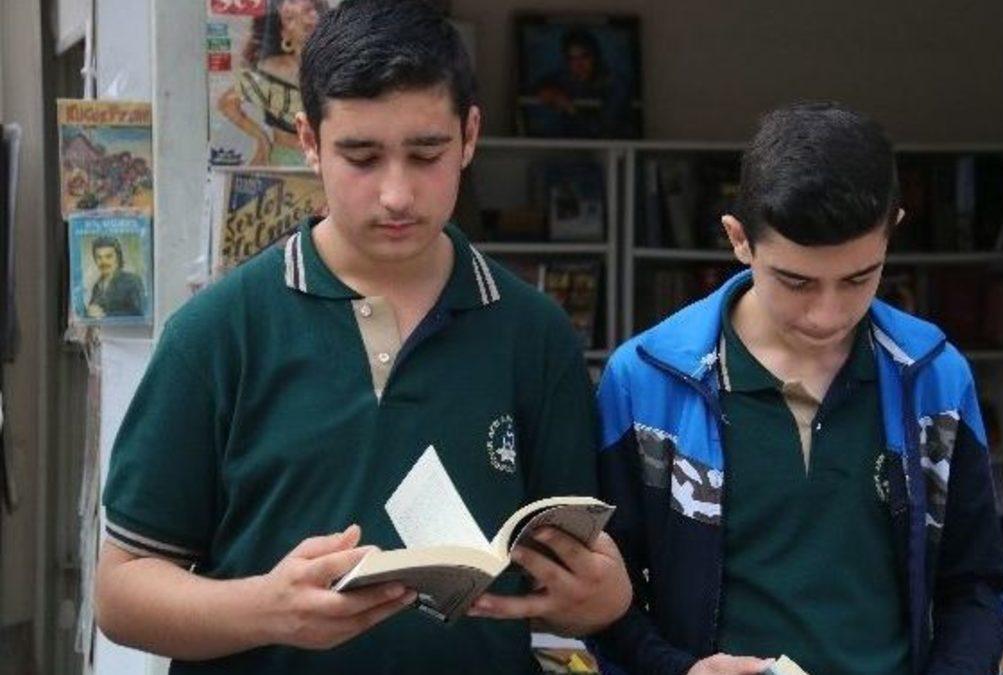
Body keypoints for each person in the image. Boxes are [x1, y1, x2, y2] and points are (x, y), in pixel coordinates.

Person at [95, 1, 631, 673]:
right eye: (362, 157)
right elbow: (120, 591)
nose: (397, 194)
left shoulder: (535, 334)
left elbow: (566, 580)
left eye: (426, 154)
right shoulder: (217, 333)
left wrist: (603, 599)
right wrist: (268, 608)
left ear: (469, 135)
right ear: (309, 140)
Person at [592, 101, 1003, 675]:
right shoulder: (645, 381)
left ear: (893, 231)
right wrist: (676, 670)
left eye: (859, 278)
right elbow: (601, 593)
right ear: (739, 240)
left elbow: (977, 584)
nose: (827, 314)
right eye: (796, 282)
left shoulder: (936, 377)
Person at [217, 0, 328, 165]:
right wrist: (261, 138)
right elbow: (227, 103)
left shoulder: (340, 68)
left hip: (331, 162)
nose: (303, 21)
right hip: (286, 161)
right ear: (283, 33)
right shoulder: (271, 68)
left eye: (308, 12)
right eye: (290, 18)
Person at [528, 27, 635, 138]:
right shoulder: (566, 77)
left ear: (596, 57)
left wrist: (570, 109)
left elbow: (604, 129)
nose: (579, 65)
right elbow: (536, 85)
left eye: (585, 57)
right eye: (572, 59)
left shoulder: (616, 84)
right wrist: (546, 91)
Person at [86, 235, 144, 318]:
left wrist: (105, 315)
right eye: (99, 257)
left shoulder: (132, 281)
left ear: (118, 258)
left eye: (108, 256)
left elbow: (140, 313)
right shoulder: (97, 286)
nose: (103, 261)